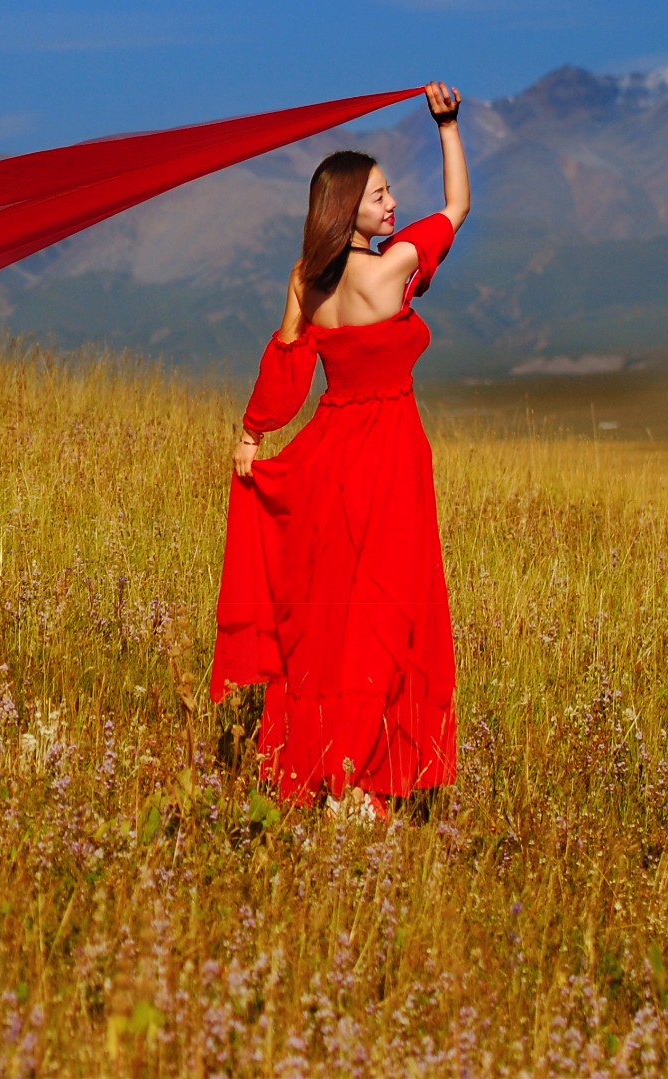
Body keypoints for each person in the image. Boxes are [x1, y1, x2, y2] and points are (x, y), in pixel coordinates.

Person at [211, 81, 470, 815]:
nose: (392, 204)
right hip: (391, 455)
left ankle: (326, 765)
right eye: (380, 194)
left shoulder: (307, 280)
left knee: (331, 617)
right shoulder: (395, 269)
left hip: (330, 453)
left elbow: (286, 365)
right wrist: (448, 126)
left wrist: (252, 433)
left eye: (391, 193)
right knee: (392, 612)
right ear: (347, 206)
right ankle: (365, 778)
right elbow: (457, 208)